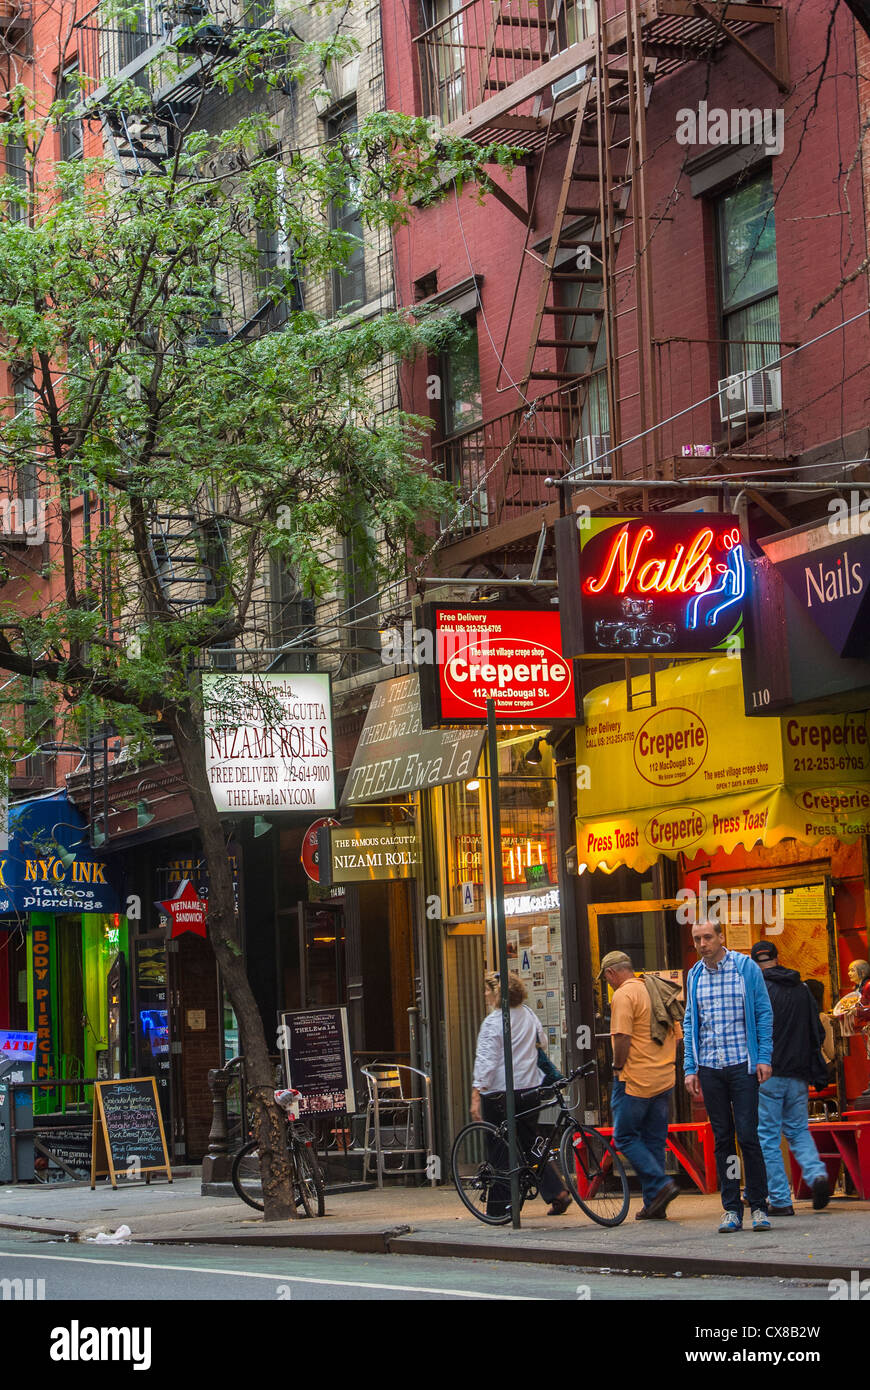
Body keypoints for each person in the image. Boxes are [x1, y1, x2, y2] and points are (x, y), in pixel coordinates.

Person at [683, 920, 774, 1233]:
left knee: (748, 1135)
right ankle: (731, 1209)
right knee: (723, 1139)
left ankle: (759, 1206)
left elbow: (763, 1013)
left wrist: (764, 1057)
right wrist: (690, 1067)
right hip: (710, 1066)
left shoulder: (745, 968)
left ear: (721, 937)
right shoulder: (694, 975)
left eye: (708, 937)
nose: (702, 943)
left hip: (741, 1063)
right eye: (697, 938)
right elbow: (690, 1024)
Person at [470, 972, 571, 1216]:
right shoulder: (528, 1014)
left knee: (500, 1148)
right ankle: (557, 1191)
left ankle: (501, 1208)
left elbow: (486, 1060)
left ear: (497, 994)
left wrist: (476, 1094)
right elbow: (543, 1042)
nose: (485, 994)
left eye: (488, 990)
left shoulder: (494, 1022)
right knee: (529, 1144)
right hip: (529, 1088)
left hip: (499, 1093)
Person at [751, 941, 831, 1215]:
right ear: (776, 958)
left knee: (768, 1137)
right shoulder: (802, 988)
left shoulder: (758, 989)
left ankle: (781, 1200)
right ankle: (817, 1174)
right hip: (798, 1073)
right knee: (797, 1130)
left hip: (768, 1073)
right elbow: (817, 1032)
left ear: (755, 962)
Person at [601, 950, 682, 1221]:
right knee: (654, 1141)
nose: (608, 983)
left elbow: (622, 1037)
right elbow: (677, 1035)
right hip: (664, 1078)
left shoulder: (623, 995)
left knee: (624, 1136)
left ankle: (660, 1185)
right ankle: (654, 1205)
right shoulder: (654, 988)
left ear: (612, 973)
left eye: (607, 979)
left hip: (634, 1080)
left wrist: (616, 1066)